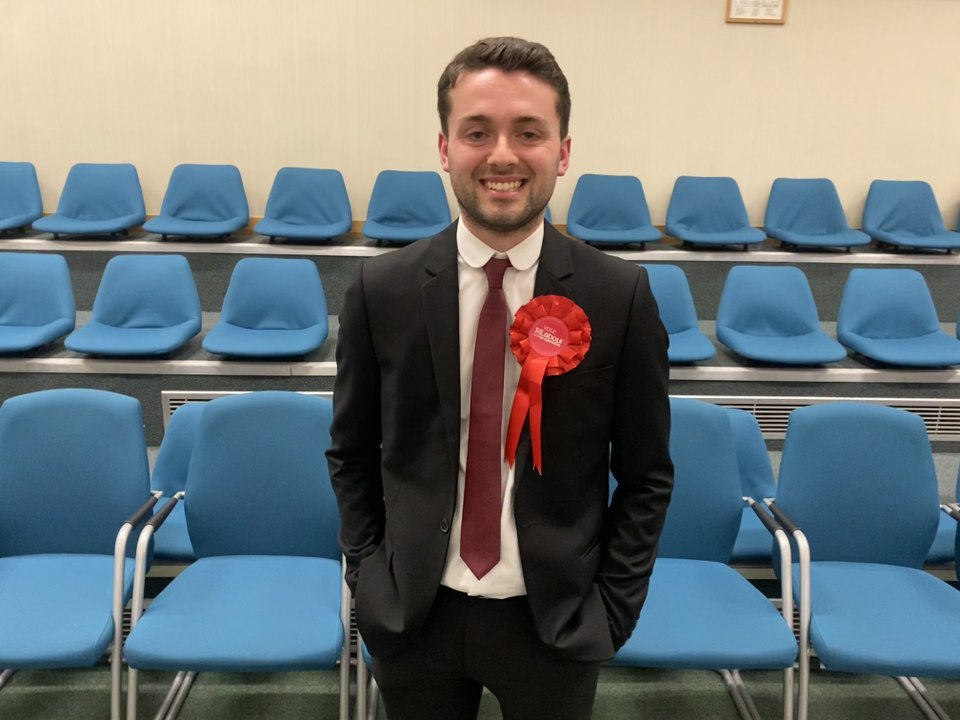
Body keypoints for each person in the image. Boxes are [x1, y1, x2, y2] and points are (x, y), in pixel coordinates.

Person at [328, 36, 674, 720]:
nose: (503, 155)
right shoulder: (383, 290)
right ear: (444, 148)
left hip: (556, 621)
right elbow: (350, 452)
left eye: (529, 132)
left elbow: (646, 476)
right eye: (477, 132)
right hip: (415, 613)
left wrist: (611, 609)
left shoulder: (618, 296)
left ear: (564, 152)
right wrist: (370, 577)